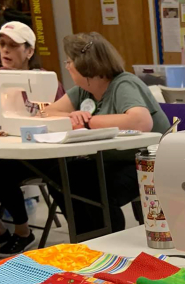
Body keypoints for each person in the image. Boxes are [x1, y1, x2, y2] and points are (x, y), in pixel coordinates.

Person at [42, 32, 170, 232]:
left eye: (69, 62)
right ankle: (85, 237)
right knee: (59, 177)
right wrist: (71, 117)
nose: (67, 67)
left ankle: (107, 238)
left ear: (85, 65)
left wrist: (87, 122)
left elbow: (140, 121)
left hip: (146, 162)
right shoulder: (85, 89)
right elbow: (48, 113)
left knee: (94, 188)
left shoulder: (123, 84)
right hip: (110, 159)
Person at [0, 21, 65, 256]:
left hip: (41, 154)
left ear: (29, 51)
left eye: (13, 45)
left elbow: (53, 120)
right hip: (8, 149)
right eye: (2, 44)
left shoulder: (42, 81)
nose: (5, 50)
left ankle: (23, 232)